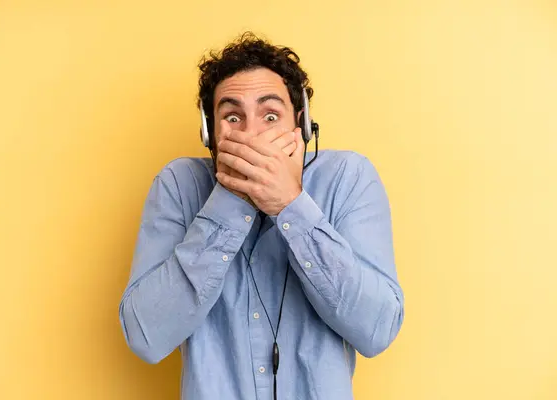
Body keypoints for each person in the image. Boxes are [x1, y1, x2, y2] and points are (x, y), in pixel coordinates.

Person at [119, 32, 405, 400]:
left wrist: (291, 205)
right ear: (209, 132)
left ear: (300, 125)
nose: (252, 134)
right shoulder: (179, 185)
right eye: (233, 117)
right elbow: (146, 337)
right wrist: (230, 201)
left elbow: (377, 329)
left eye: (270, 115)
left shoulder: (349, 178)